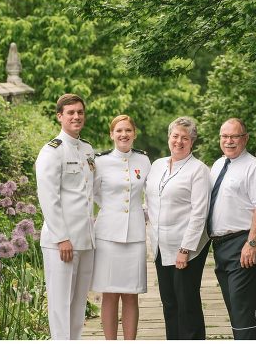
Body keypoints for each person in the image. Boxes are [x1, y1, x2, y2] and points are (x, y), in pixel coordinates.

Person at [35, 93, 96, 340]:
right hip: (62, 242)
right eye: (70, 113)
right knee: (60, 305)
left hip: (85, 238)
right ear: (60, 116)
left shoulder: (87, 149)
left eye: (80, 112)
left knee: (79, 304)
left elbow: (90, 192)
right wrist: (62, 238)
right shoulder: (52, 152)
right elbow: (49, 198)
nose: (76, 117)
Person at [145, 117, 211, 340]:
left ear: (192, 142)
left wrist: (185, 249)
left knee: (187, 303)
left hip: (186, 248)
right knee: (169, 302)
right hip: (160, 246)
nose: (179, 141)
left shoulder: (198, 170)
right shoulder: (157, 165)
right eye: (175, 136)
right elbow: (151, 202)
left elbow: (199, 212)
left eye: (185, 138)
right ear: (169, 137)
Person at [208, 118, 256, 340]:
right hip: (222, 247)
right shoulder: (218, 165)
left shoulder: (254, 167)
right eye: (224, 136)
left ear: (245, 138)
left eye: (234, 136)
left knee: (244, 312)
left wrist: (252, 243)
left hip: (244, 244)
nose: (229, 141)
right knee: (235, 311)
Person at [92, 115, 151, 340]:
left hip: (135, 234)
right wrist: (110, 208)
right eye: (119, 131)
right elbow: (94, 192)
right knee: (109, 293)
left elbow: (150, 193)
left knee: (131, 294)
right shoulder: (100, 162)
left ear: (134, 133)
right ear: (111, 134)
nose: (123, 134)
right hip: (107, 234)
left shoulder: (144, 161)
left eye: (128, 130)